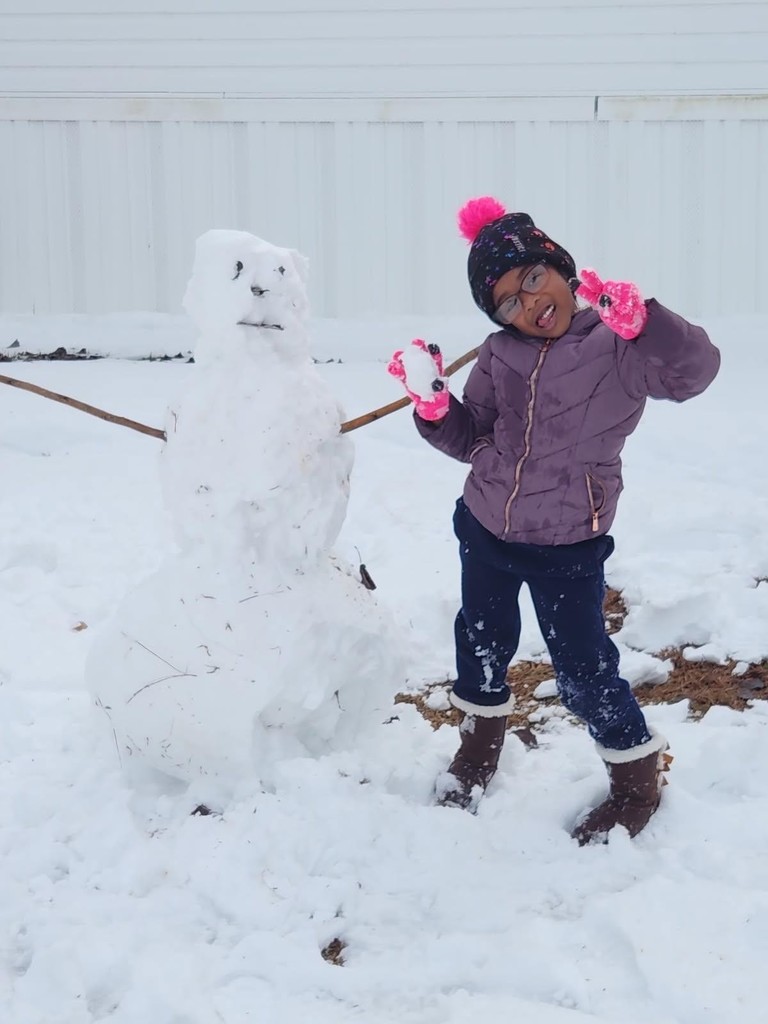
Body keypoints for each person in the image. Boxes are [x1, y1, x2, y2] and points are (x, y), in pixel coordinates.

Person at [388, 196, 720, 844]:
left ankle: (635, 778)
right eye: (508, 300)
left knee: (583, 668)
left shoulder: (619, 346)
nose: (529, 303)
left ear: (560, 268)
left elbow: (695, 371)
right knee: (480, 641)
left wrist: (647, 322)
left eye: (534, 278)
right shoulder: (498, 354)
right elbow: (472, 434)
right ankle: (479, 751)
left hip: (569, 541)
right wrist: (432, 407)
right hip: (486, 527)